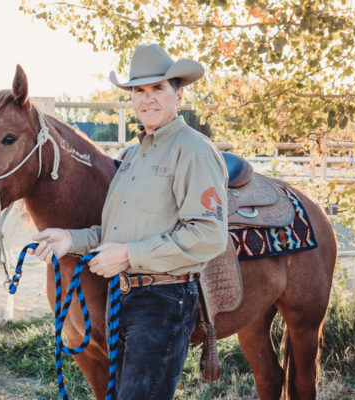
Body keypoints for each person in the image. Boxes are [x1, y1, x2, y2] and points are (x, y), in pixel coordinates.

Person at [30, 43, 229, 399]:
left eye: (158, 88)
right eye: (139, 90)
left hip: (163, 300)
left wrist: (128, 255)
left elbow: (209, 235)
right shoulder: (134, 156)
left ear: (178, 95)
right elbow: (114, 232)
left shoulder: (193, 150)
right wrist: (70, 240)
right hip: (123, 298)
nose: (147, 98)